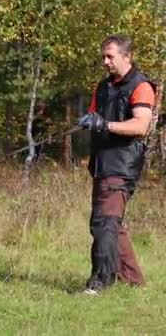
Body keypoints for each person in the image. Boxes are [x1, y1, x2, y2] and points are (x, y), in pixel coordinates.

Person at [77, 34, 154, 295]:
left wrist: (105, 124)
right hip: (101, 165)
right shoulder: (103, 87)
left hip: (122, 166)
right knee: (112, 226)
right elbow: (94, 115)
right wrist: (89, 121)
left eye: (110, 56)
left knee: (104, 223)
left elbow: (141, 125)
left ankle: (100, 282)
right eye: (103, 56)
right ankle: (134, 283)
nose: (105, 61)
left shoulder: (141, 86)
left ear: (126, 56)